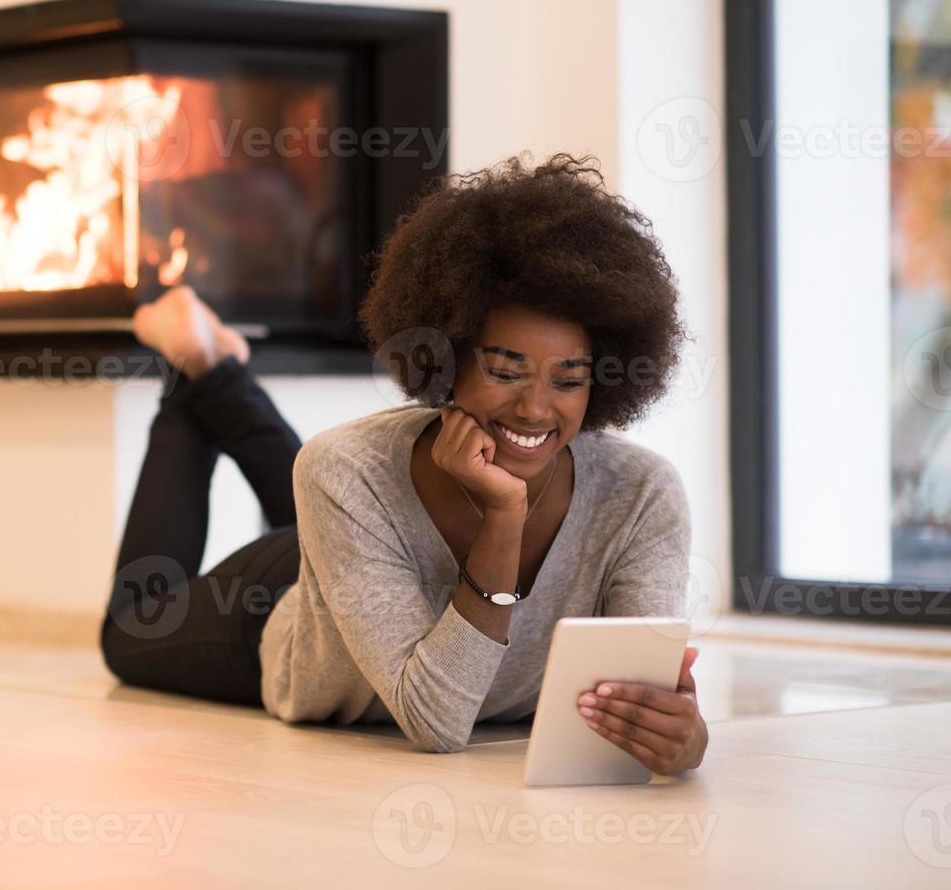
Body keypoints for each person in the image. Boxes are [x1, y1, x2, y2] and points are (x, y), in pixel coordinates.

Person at [100, 154, 708, 773]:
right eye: (504, 371)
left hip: (361, 533)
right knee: (128, 635)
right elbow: (437, 723)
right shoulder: (349, 471)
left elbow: (645, 701)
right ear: (446, 355)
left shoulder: (640, 493)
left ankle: (217, 375)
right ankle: (193, 375)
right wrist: (505, 516)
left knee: (338, 480)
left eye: (569, 381)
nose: (535, 408)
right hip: (282, 602)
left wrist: (682, 738)